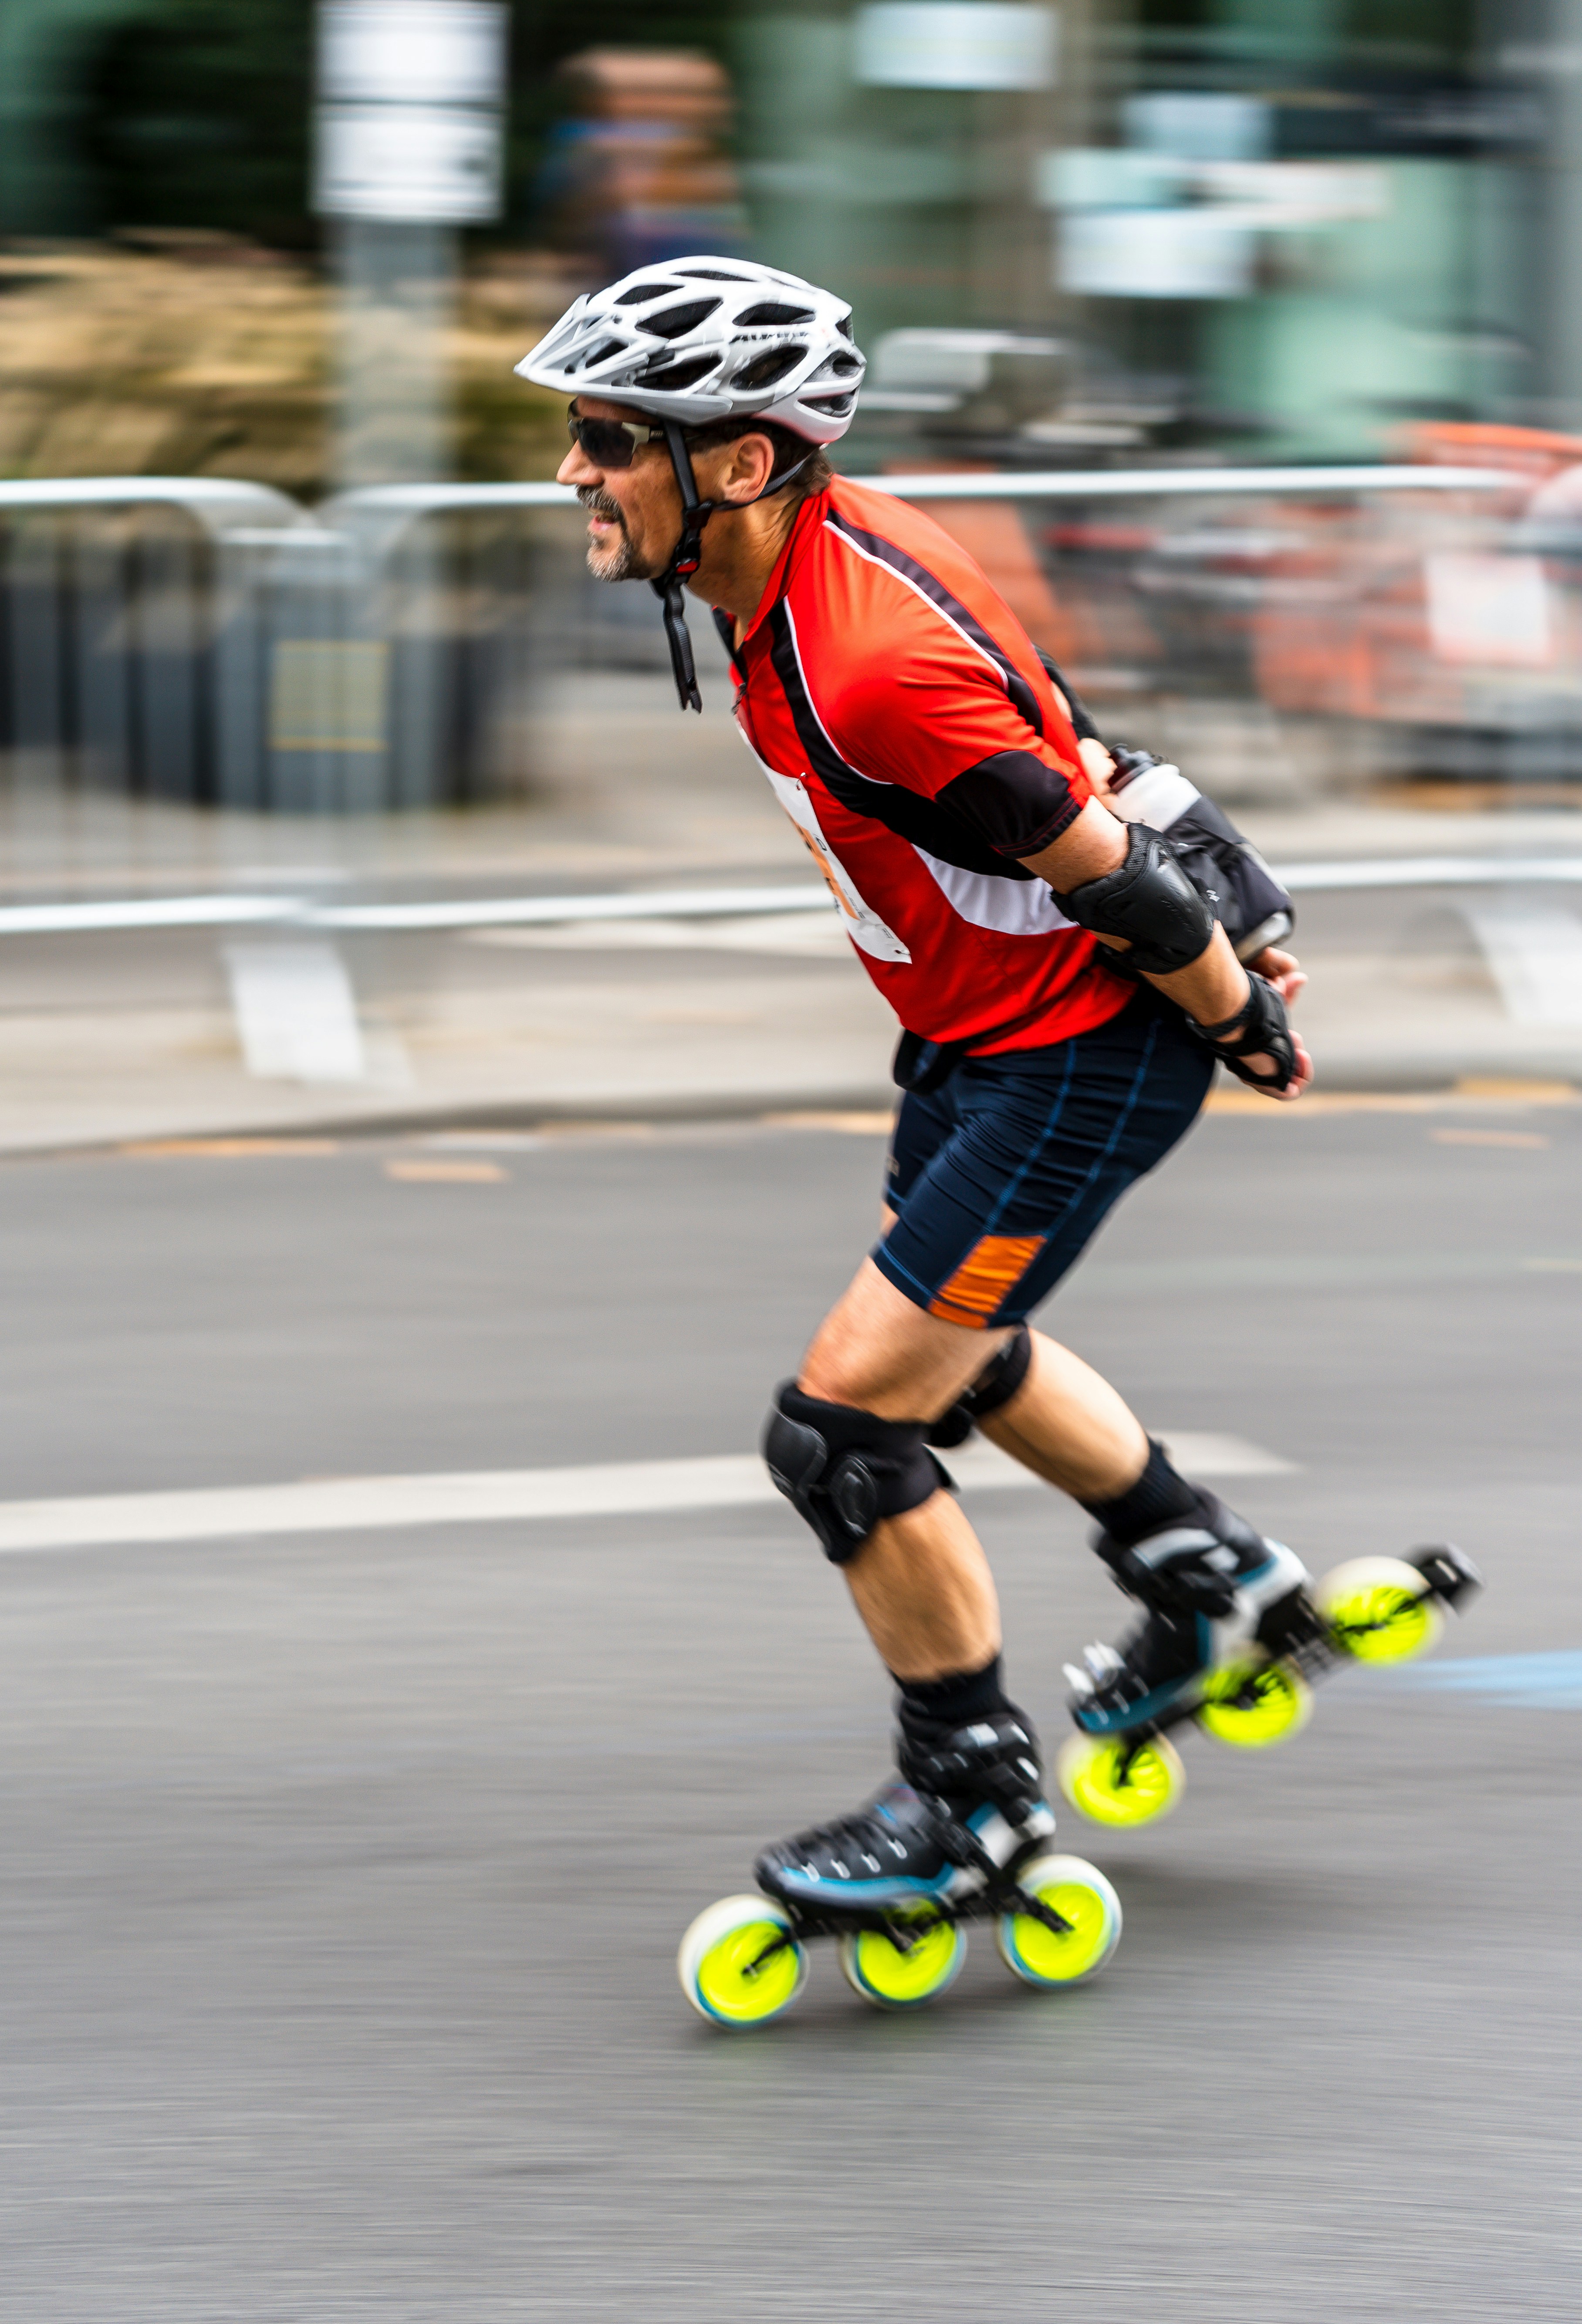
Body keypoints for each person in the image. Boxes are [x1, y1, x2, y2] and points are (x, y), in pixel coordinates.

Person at [514, 259, 1313, 1934]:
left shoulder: (860, 657)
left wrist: (1238, 1013)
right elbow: (1069, 735)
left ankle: (969, 1801)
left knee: (845, 1434)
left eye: (612, 437)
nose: (576, 469)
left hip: (1071, 1057)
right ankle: (1204, 1570)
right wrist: (1235, 906)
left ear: (740, 461)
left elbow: (1101, 862)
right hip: (978, 1034)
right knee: (964, 1348)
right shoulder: (810, 550)